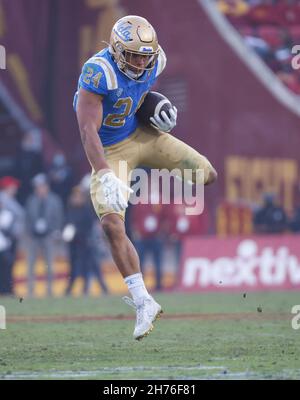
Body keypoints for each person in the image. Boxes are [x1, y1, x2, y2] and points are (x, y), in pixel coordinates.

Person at [74, 15, 217, 340]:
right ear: (116, 49)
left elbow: (140, 96)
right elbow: (87, 131)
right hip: (111, 150)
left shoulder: (157, 59)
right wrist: (105, 172)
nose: (140, 62)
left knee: (207, 174)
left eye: (144, 55)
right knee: (111, 224)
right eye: (134, 55)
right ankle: (142, 301)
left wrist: (157, 108)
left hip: (144, 135)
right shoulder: (99, 72)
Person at [25, 174, 64, 296]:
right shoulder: (31, 200)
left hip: (48, 236)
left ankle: (49, 290)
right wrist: (29, 232)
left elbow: (59, 218)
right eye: (38, 187)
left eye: (41, 186)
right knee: (31, 264)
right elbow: (27, 218)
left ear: (46, 186)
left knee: (49, 264)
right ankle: (31, 290)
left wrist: (56, 231)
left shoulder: (55, 200)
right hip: (34, 236)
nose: (39, 189)